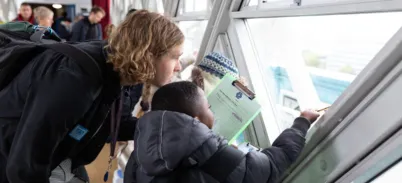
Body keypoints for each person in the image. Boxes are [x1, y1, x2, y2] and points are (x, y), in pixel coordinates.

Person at [0, 10, 183, 183]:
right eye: (175, 57)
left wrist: (165, 125)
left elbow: (114, 125)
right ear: (148, 55)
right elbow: (24, 167)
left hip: (50, 156)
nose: (179, 67)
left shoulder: (119, 69)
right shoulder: (75, 80)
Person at [124, 81, 320, 183]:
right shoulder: (217, 156)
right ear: (196, 120)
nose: (213, 112)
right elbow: (273, 164)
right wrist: (302, 122)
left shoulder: (139, 152)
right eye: (209, 107)